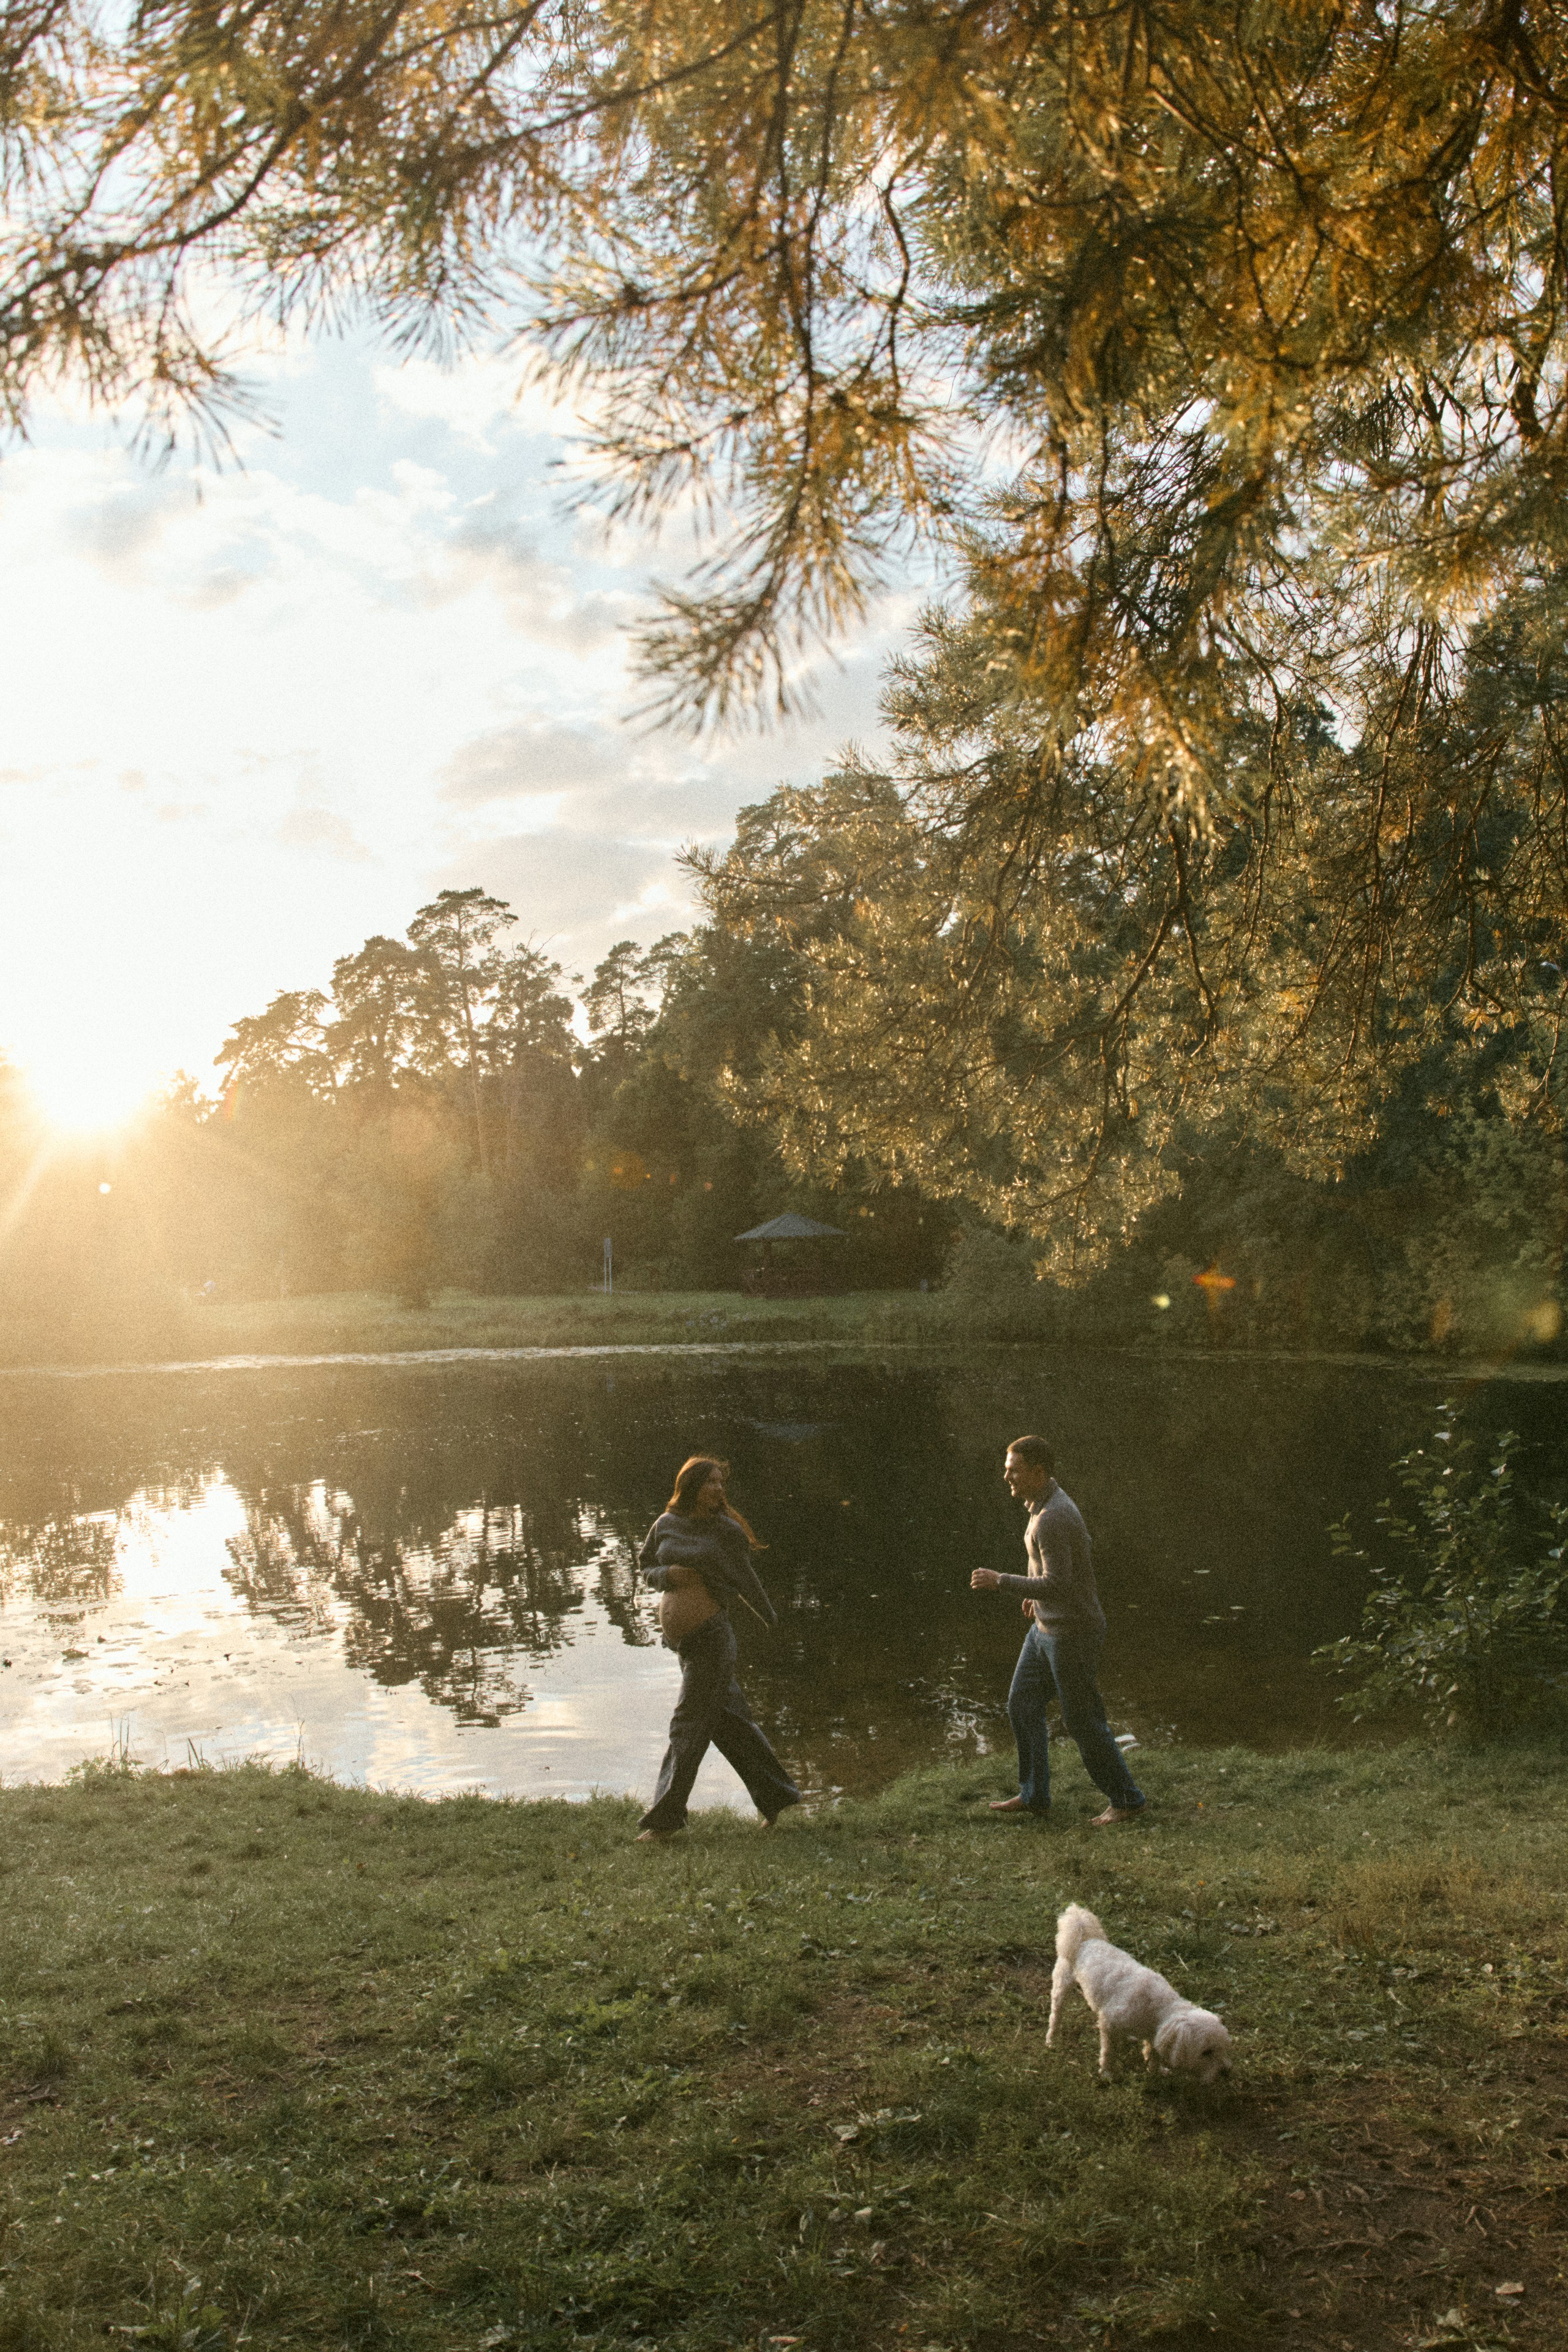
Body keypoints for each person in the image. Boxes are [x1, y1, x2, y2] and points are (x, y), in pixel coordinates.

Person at [970, 1434, 1146, 1826]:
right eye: (1006, 1469)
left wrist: (1004, 1581)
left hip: (1073, 1633)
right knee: (1022, 1705)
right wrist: (1036, 1598)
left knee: (1082, 1719)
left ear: (1038, 1471)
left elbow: (1061, 1584)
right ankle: (1034, 1795)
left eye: (1013, 1470)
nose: (1007, 1477)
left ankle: (1128, 1801)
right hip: (1045, 1628)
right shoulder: (1040, 1506)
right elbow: (1055, 1576)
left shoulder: (1053, 1517)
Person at [634, 1455, 801, 1842]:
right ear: (690, 1485)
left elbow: (747, 1580)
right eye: (711, 1482)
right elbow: (645, 1567)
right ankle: (778, 1797)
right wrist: (668, 1575)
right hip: (684, 1645)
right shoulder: (665, 1524)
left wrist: (771, 1620)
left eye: (721, 1483)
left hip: (712, 1640)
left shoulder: (726, 1531)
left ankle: (664, 1822)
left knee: (687, 1725)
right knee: (731, 1725)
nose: (719, 1489)